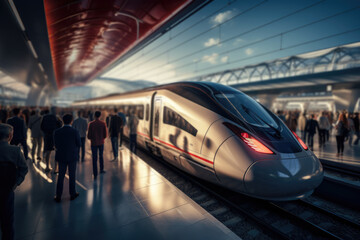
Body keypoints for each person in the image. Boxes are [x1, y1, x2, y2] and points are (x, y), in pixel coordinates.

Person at [0, 124, 28, 240]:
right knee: (8, 221)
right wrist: (16, 183)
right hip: (7, 189)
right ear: (10, 136)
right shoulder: (15, 150)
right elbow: (24, 168)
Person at [53, 114, 80, 202]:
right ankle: (72, 194)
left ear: (63, 121)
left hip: (61, 156)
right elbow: (79, 144)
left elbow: (56, 144)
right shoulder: (75, 131)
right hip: (72, 156)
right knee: (72, 176)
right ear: (71, 121)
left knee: (61, 176)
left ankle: (58, 196)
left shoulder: (57, 132)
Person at [41, 107, 63, 172]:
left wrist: (46, 132)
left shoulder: (45, 117)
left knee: (48, 152)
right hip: (56, 137)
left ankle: (47, 166)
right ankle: (56, 168)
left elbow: (42, 127)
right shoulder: (57, 118)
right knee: (57, 151)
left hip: (47, 136)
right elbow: (60, 126)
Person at [87, 111, 107, 179]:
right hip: (101, 143)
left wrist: (93, 138)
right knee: (101, 156)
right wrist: (101, 138)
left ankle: (95, 173)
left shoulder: (91, 124)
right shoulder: (103, 123)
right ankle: (101, 169)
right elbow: (105, 135)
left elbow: (89, 136)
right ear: (100, 116)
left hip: (94, 143)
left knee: (94, 158)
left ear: (94, 116)